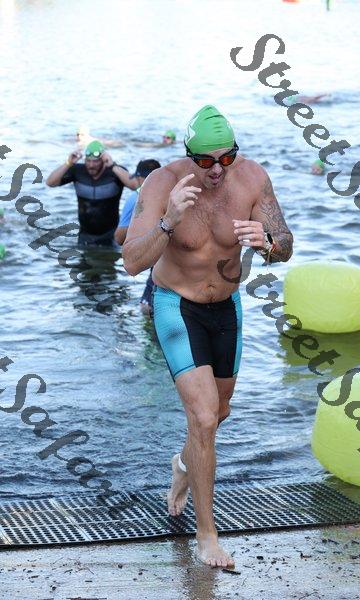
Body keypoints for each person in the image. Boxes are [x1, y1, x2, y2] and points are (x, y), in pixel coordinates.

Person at [122, 105, 293, 568]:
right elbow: (132, 262)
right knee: (201, 417)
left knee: (218, 415)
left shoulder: (253, 178)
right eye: (205, 161)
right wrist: (168, 220)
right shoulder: (162, 184)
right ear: (188, 155)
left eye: (226, 158)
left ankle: (183, 466)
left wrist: (269, 243)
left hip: (228, 308)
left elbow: (285, 244)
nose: (217, 170)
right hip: (177, 305)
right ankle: (207, 537)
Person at [46, 140, 137, 247]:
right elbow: (50, 182)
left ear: (103, 160)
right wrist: (68, 163)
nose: (91, 165)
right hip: (85, 235)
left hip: (111, 235)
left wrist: (113, 166)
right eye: (88, 161)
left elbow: (136, 186)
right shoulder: (77, 171)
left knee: (110, 258)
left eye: (95, 161)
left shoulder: (115, 172)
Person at [114, 159, 161, 316]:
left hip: (157, 258)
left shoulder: (136, 197)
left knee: (146, 307)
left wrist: (139, 223)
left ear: (140, 178)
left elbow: (119, 238)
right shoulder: (173, 192)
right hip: (178, 258)